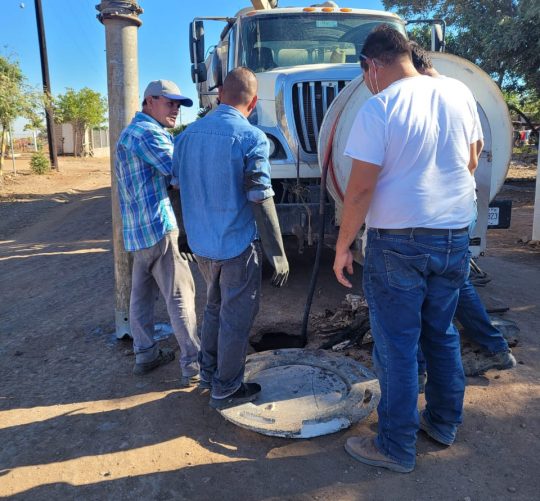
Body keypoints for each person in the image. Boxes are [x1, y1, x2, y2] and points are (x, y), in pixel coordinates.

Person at [333, 25, 481, 473]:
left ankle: (395, 446)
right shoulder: (459, 93)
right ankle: (443, 423)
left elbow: (360, 191)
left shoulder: (380, 107)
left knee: (397, 346)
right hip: (454, 235)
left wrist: (343, 246)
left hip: (398, 241)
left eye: (365, 74)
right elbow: (472, 159)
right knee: (442, 333)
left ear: (371, 66)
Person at [172, 67, 289, 410]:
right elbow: (261, 198)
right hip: (237, 247)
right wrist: (277, 254)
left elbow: (176, 189)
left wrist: (184, 234)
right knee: (236, 317)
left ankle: (209, 374)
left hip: (201, 245)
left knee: (213, 307)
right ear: (253, 103)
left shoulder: (186, 137)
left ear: (220, 94)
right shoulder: (251, 137)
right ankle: (226, 387)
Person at [409, 41, 516, 379]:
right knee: (457, 281)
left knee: (414, 288)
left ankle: (419, 370)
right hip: (459, 209)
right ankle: (496, 348)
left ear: (411, 66)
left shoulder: (415, 98)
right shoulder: (460, 91)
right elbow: (477, 150)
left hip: (429, 214)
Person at [115, 80, 200, 386]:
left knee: (140, 296)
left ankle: (145, 354)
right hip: (159, 227)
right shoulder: (148, 133)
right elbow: (180, 171)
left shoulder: (130, 133)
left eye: (178, 104)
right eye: (169, 103)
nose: (175, 109)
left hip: (138, 231)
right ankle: (194, 365)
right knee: (180, 296)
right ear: (149, 101)